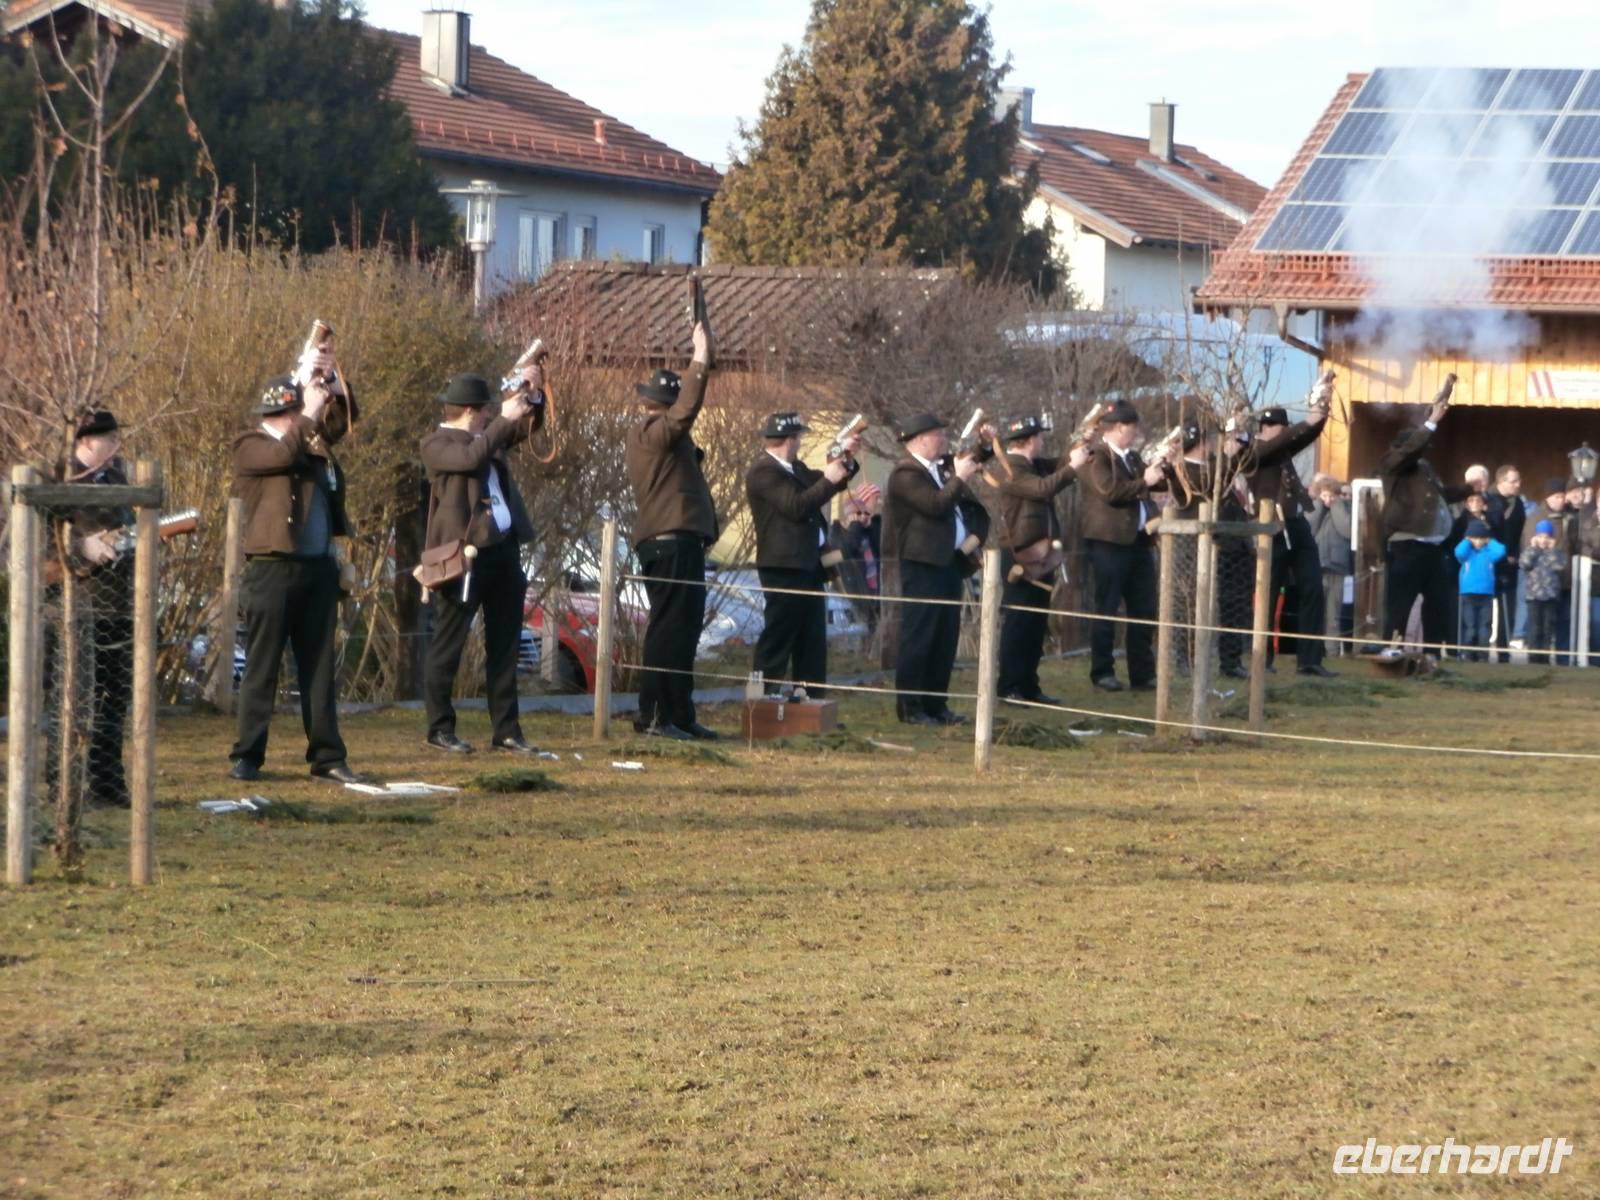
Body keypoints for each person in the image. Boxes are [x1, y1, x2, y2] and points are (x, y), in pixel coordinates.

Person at [228, 375, 367, 783]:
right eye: (297, 412)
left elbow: (343, 421)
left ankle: (327, 755)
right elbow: (282, 458)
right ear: (282, 414)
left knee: (320, 667)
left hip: (317, 569)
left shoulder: (308, 441)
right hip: (271, 568)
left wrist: (333, 385)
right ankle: (248, 755)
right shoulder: (250, 446)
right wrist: (308, 412)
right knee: (262, 666)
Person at [419, 372, 544, 755]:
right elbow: (472, 457)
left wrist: (532, 397)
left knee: (504, 645)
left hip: (503, 552)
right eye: (487, 410)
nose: (493, 414)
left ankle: (506, 730)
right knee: (448, 645)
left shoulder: (485, 437)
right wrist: (502, 420)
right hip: (464, 557)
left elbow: (522, 431)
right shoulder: (437, 444)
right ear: (472, 411)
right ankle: (440, 728)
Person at [625, 320, 718, 740]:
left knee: (684, 631)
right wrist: (700, 359)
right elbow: (684, 414)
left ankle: (680, 713)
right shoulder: (652, 433)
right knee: (667, 630)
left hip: (681, 541)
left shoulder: (666, 436)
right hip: (667, 542)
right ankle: (655, 715)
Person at [883, 412, 989, 725]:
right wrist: (960, 478)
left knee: (945, 635)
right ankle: (911, 707)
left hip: (949, 562)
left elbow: (969, 461)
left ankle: (936, 703)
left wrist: (985, 445)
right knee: (920, 634)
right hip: (922, 563)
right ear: (919, 440)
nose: (943, 440)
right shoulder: (905, 475)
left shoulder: (938, 469)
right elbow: (935, 505)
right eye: (937, 435)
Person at [745, 411, 859, 697]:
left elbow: (828, 483)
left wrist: (845, 458)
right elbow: (796, 506)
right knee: (780, 633)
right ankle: (763, 693)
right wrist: (829, 479)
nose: (800, 443)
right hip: (784, 565)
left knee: (811, 636)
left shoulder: (795, 468)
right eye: (798, 438)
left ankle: (809, 695)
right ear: (789, 439)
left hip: (809, 563)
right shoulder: (764, 472)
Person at [54, 410, 135, 808]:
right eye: (109, 440)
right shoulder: (61, 480)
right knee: (73, 703)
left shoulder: (116, 479)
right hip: (77, 609)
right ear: (85, 441)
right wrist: (81, 548)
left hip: (118, 607)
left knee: (113, 702)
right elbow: (34, 543)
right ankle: (65, 785)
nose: (117, 448)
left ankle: (107, 783)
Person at [992, 414, 1089, 703]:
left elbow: (1058, 467)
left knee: (1036, 624)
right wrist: (1074, 467)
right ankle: (1009, 687)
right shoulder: (1012, 469)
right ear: (1031, 440)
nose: (1042, 442)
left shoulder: (1031, 465)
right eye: (1039, 438)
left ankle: (1029, 685)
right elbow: (1044, 488)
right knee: (1019, 622)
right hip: (1019, 554)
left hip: (1040, 553)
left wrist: (1084, 446)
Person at [1079, 400, 1168, 691]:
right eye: (1132, 427)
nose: (1137, 432)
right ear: (1118, 428)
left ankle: (1142, 672)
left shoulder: (1132, 457)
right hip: (1109, 542)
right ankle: (1102, 670)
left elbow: (1150, 485)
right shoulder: (1098, 457)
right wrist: (1145, 480)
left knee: (1143, 608)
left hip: (1138, 541)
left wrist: (1160, 468)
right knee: (1107, 607)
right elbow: (1110, 491)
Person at [1248, 389, 1335, 676]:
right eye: (1278, 428)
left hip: (1296, 523)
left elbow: (1305, 436)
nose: (1283, 433)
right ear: (1264, 428)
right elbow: (1288, 439)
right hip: (1270, 526)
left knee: (1312, 587)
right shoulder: (1255, 452)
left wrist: (1320, 413)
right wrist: (1307, 420)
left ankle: (1309, 660)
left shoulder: (1281, 447)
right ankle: (1262, 659)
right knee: (1268, 593)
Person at [1378, 391, 1473, 652]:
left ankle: (1432, 654)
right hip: (1407, 545)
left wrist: (1468, 490)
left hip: (1432, 548)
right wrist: (1431, 422)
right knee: (1400, 603)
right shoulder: (1393, 464)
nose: (1423, 453)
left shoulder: (1424, 471)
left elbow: (1441, 496)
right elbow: (1408, 452)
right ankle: (1392, 648)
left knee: (1439, 603)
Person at [1164, 420, 1253, 679]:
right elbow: (1191, 494)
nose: (1212, 445)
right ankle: (1187, 658)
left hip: (1229, 547)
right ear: (1201, 444)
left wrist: (1240, 439)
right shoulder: (1183, 471)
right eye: (1208, 441)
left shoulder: (1215, 468)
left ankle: (1231, 659)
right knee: (1190, 605)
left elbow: (1240, 461)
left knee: (1232, 604)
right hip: (1194, 547)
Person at [1520, 478, 1575, 664]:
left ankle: (1561, 659)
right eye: (1558, 496)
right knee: (1536, 626)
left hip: (1560, 583)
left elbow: (1564, 557)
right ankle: (1535, 658)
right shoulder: (1536, 518)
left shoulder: (1569, 517)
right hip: (1537, 588)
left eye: (1563, 496)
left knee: (1558, 624)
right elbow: (1526, 558)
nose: (1562, 500)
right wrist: (1536, 547)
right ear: (1549, 497)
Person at [1309, 473, 1352, 657]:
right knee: (1314, 612)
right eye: (1324, 495)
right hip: (1316, 567)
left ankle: (1332, 651)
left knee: (1333, 614)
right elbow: (1309, 529)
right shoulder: (1313, 509)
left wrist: (1336, 505)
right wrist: (1319, 505)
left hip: (1337, 568)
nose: (1327, 499)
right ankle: (1312, 651)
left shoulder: (1344, 509)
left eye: (1330, 495)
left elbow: (1347, 530)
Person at [1453, 519, 1505, 662]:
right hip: (1468, 593)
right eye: (1474, 538)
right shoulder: (1466, 554)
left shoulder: (1489, 553)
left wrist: (1489, 540)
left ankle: (1483, 655)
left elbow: (1501, 550)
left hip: (1486, 594)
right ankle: (1469, 654)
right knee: (1470, 627)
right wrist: (1467, 541)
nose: (1478, 541)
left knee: (1484, 626)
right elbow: (1458, 552)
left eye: (1480, 538)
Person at [1488, 465, 1525, 662]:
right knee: (1485, 607)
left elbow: (1520, 533)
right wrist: (1500, 555)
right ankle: (1479, 650)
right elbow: (1486, 532)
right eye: (1513, 481)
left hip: (1511, 563)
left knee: (1507, 608)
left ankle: (1504, 650)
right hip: (1490, 561)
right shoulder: (1489, 501)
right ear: (1501, 482)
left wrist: (1515, 555)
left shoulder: (1518, 504)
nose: (1518, 484)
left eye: (1518, 480)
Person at [1521, 520, 1567, 665]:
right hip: (1534, 596)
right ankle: (1533, 657)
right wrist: (1533, 548)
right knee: (1535, 628)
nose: (1543, 540)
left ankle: (1545, 657)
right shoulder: (1530, 551)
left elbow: (1559, 566)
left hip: (1550, 596)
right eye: (1540, 536)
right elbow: (1524, 563)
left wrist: (1552, 550)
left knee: (1548, 628)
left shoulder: (1557, 553)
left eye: (1547, 537)